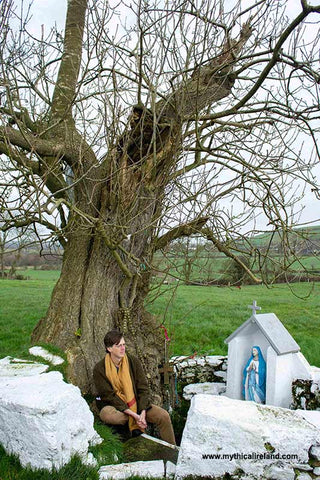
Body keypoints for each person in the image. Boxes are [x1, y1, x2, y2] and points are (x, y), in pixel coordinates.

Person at [93, 329, 176, 445]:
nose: (123, 348)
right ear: (109, 349)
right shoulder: (100, 369)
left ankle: (172, 450)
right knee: (117, 417)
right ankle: (130, 437)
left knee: (163, 416)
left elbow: (143, 388)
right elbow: (109, 396)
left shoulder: (133, 362)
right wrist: (133, 415)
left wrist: (142, 412)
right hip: (114, 406)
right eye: (118, 346)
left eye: (123, 345)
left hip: (136, 404)